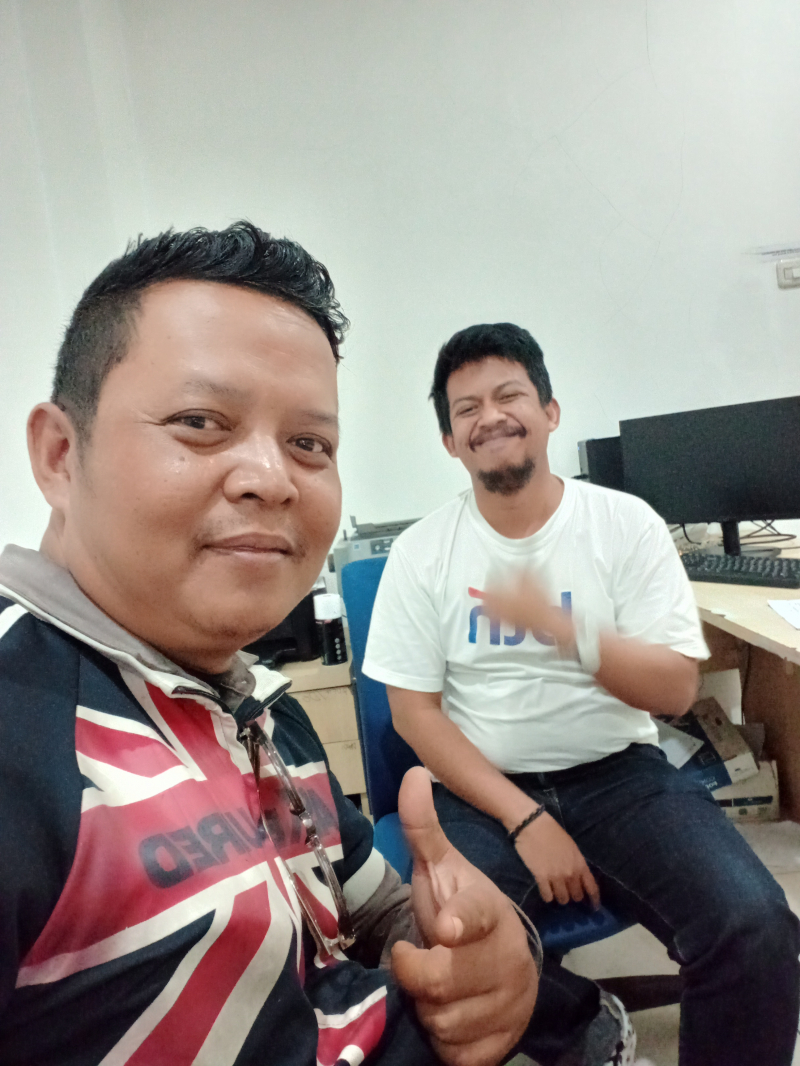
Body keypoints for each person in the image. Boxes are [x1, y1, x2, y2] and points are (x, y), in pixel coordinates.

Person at [0, 226, 541, 1066]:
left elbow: (376, 910)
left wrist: (482, 950)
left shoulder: (257, 706)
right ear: (61, 455)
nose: (273, 478)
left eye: (309, 444)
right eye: (199, 423)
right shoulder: (19, 728)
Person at [362, 322, 800, 1066]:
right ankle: (585, 1024)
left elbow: (674, 689)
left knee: (755, 926)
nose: (490, 417)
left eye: (509, 396)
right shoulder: (422, 551)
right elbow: (414, 714)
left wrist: (571, 634)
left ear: (550, 411)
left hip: (621, 778)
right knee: (443, 956)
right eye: (466, 409)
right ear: (449, 441)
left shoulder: (623, 525)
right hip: (481, 791)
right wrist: (526, 817)